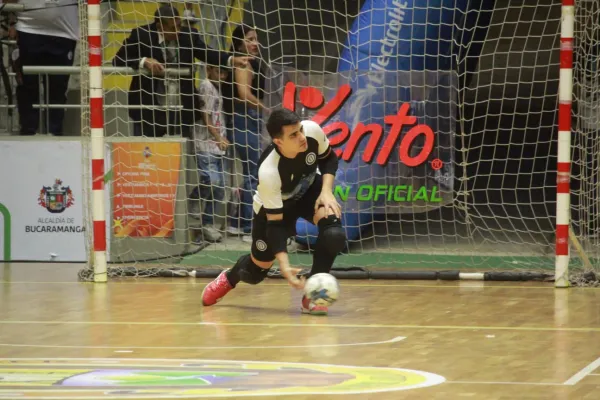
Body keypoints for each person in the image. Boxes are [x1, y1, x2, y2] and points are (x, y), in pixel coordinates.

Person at [201, 108, 347, 316]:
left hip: (308, 192)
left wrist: (326, 192)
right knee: (255, 273)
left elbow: (329, 159)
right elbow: (276, 225)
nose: (301, 137)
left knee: (334, 234)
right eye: (293, 135)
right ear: (279, 142)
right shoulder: (268, 171)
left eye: (300, 131)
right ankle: (229, 278)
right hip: (275, 209)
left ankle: (312, 295)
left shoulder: (312, 131)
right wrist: (285, 266)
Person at [112, 5, 250, 138]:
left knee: (180, 156)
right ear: (160, 26)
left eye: (179, 25)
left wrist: (232, 60)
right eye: (173, 28)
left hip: (180, 109)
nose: (178, 31)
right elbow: (118, 59)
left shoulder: (189, 35)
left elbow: (208, 53)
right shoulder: (142, 35)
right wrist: (144, 61)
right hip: (148, 109)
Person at [224, 24, 268, 238]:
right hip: (244, 120)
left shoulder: (251, 63)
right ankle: (250, 228)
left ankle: (236, 222)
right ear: (240, 42)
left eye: (256, 39)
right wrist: (267, 108)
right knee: (254, 175)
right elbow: (243, 93)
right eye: (250, 39)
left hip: (247, 120)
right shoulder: (243, 64)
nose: (255, 43)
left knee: (251, 174)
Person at [189, 65, 230, 242]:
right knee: (212, 180)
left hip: (217, 144)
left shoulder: (218, 88)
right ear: (209, 70)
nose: (222, 76)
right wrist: (218, 137)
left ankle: (207, 224)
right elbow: (205, 116)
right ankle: (194, 198)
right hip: (205, 143)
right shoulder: (206, 85)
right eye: (218, 72)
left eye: (225, 73)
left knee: (220, 189)